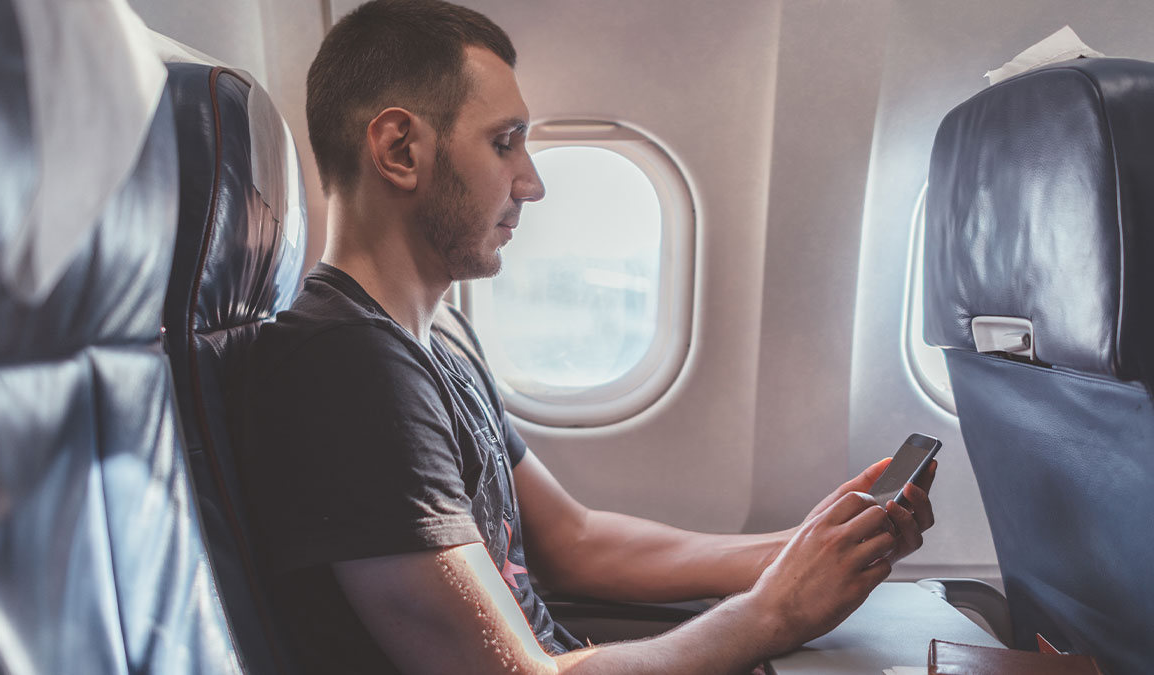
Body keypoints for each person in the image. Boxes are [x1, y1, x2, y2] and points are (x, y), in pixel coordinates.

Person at [241, 0, 937, 672]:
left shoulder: (436, 339)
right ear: (399, 149)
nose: (532, 182)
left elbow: (574, 541)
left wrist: (804, 547)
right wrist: (775, 613)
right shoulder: (347, 367)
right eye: (504, 142)